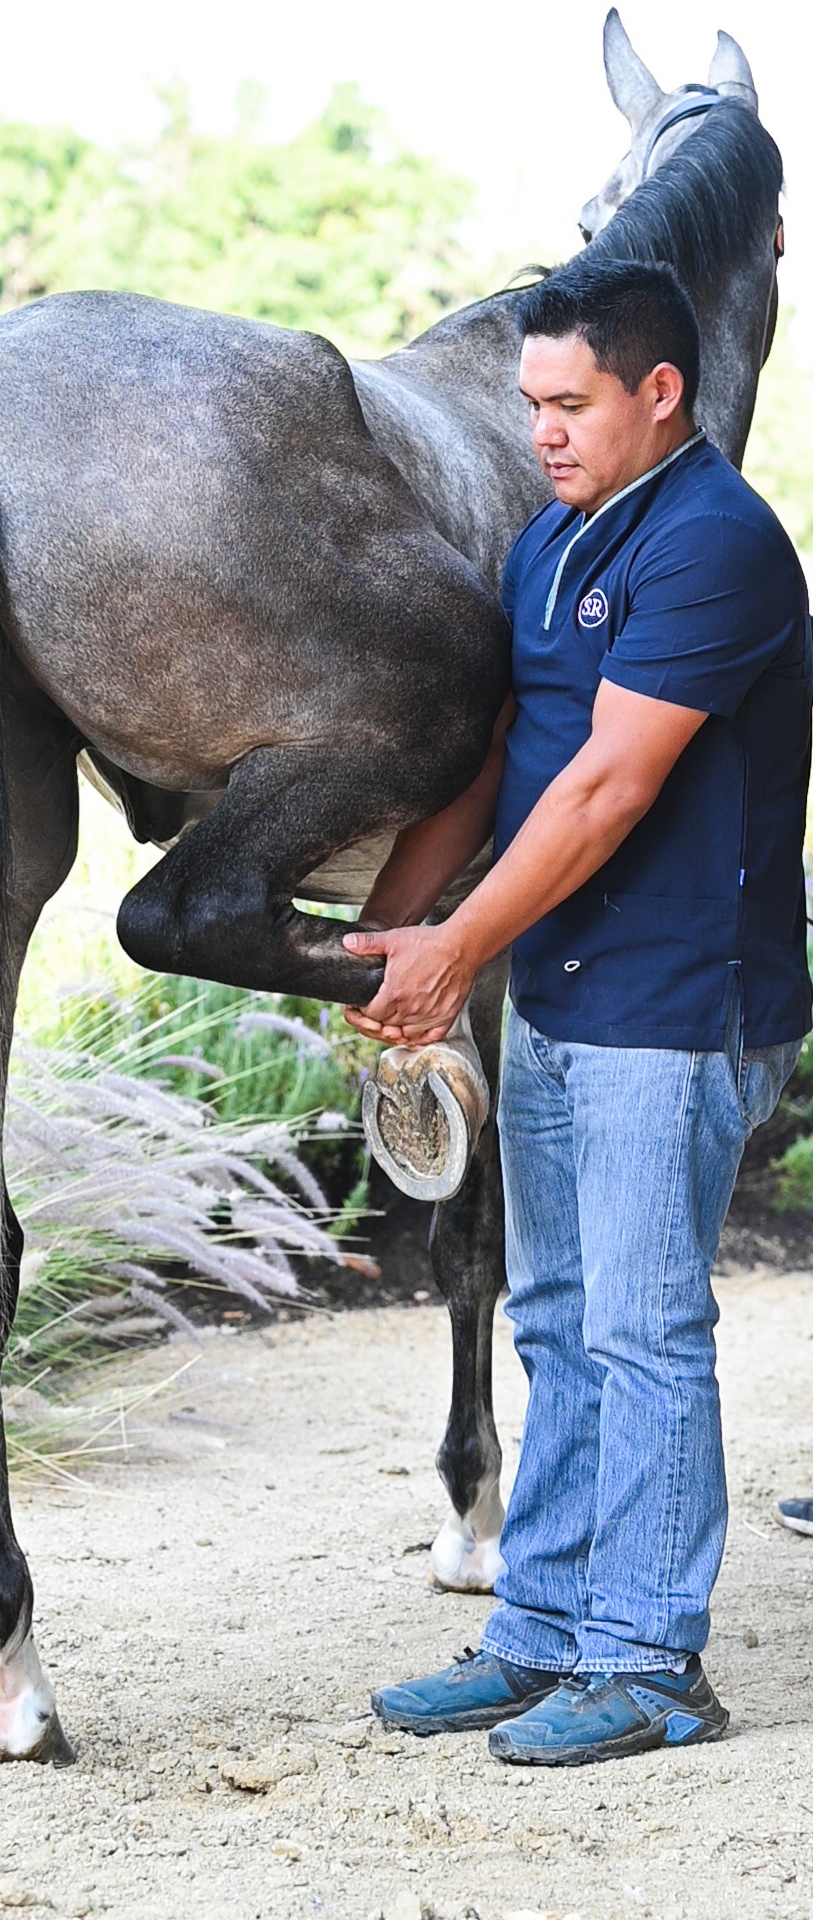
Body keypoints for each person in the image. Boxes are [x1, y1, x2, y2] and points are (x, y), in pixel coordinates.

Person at [342, 256, 812, 1768]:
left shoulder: (719, 546)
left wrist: (456, 950)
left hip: (679, 1006)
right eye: (528, 402)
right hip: (560, 996)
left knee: (645, 1329)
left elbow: (610, 785)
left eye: (568, 402)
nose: (541, 429)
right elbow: (496, 764)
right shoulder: (550, 542)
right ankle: (543, 1633)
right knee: (553, 1319)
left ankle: (651, 1662)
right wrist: (392, 941)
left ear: (658, 391)